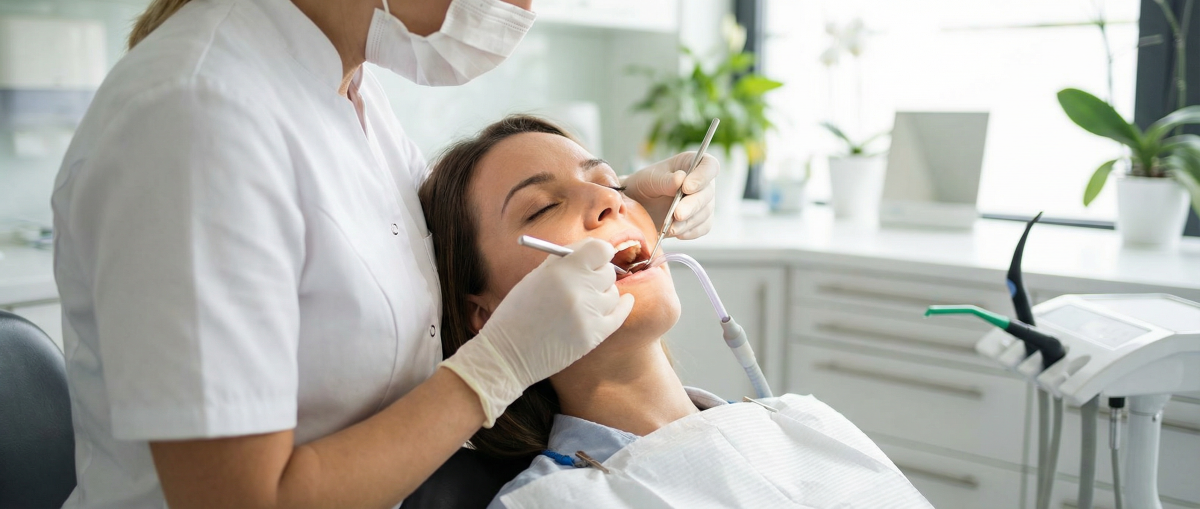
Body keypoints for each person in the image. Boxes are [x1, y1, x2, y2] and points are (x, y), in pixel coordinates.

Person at [50, 0, 718, 507]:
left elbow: (435, 250)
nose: (524, 6)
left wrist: (620, 201)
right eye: (542, 210)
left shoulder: (346, 88)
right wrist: (498, 366)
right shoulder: (198, 113)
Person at [418, 115, 933, 508]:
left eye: (613, 184)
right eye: (541, 208)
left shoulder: (805, 421)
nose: (610, 202)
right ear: (483, 315)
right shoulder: (551, 501)